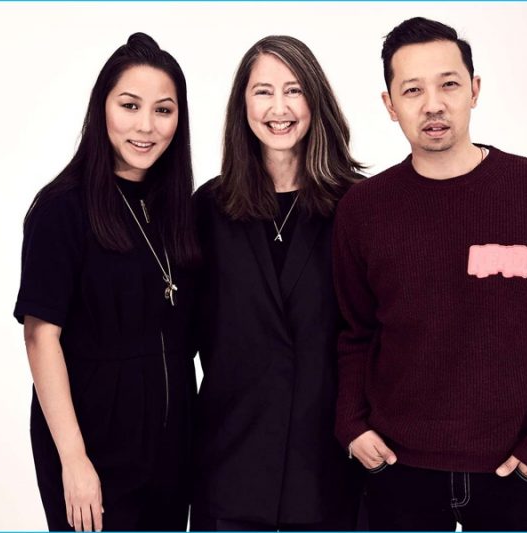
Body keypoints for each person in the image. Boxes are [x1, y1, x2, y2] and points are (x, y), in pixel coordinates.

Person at [333, 17, 527, 531]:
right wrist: (351, 425)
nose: (433, 104)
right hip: (397, 472)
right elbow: (353, 332)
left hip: (509, 473)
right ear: (389, 104)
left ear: (473, 90)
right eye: (412, 89)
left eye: (448, 84)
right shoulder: (364, 208)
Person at [13, 33, 198, 532]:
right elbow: (40, 335)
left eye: (163, 110)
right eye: (129, 105)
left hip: (171, 447)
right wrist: (74, 461)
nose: (146, 126)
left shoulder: (178, 209)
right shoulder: (62, 208)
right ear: (102, 109)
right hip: (93, 445)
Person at [191, 35, 364, 531]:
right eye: (263, 91)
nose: (279, 107)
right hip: (230, 467)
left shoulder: (357, 205)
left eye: (293, 90)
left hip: (330, 470)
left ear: (316, 100)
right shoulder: (209, 208)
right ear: (242, 104)